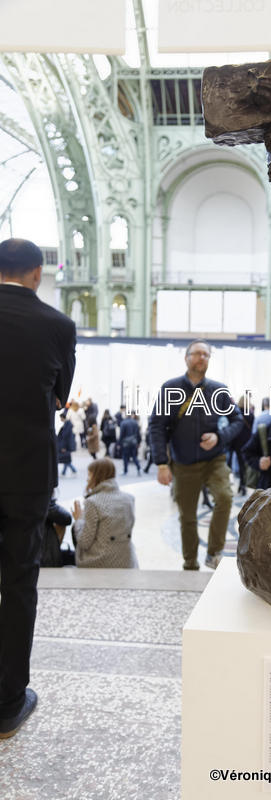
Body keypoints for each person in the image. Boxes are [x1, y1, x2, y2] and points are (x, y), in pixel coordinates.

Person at [0, 238, 76, 739]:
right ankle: (7, 703)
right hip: (23, 474)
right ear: (36, 274)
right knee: (19, 580)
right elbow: (58, 398)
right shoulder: (57, 325)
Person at [149, 339, 243, 571]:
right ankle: (190, 561)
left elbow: (238, 420)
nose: (202, 358)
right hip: (183, 463)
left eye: (207, 355)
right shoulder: (170, 388)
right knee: (188, 516)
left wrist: (219, 437)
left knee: (225, 499)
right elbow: (157, 426)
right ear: (187, 357)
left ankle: (213, 553)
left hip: (215, 460)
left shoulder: (219, 390)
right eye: (198, 353)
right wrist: (162, 463)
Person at [72, 457, 137, 568]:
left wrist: (78, 520)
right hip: (127, 560)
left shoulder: (92, 502)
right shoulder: (129, 499)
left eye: (89, 475)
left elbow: (84, 542)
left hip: (100, 561)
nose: (87, 479)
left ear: (97, 476)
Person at [226, 395, 255, 495]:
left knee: (234, 463)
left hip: (235, 442)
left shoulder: (235, 413)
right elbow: (253, 429)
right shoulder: (250, 415)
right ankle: (243, 486)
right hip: (246, 443)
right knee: (244, 465)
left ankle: (235, 485)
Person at [57, 410, 77, 475]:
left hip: (66, 446)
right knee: (66, 458)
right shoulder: (67, 425)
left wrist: (63, 447)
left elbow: (66, 437)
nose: (60, 419)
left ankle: (72, 470)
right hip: (66, 445)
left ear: (63, 417)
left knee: (66, 458)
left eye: (61, 418)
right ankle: (64, 472)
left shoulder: (67, 425)